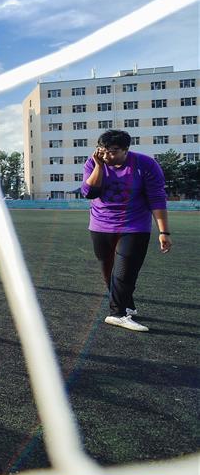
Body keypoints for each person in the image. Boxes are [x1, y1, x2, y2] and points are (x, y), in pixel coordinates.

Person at [81, 129, 171, 332]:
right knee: (109, 273)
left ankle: (117, 314)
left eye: (112, 151)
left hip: (134, 226)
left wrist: (164, 232)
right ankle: (126, 302)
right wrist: (99, 166)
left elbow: (157, 198)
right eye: (102, 150)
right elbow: (89, 192)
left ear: (125, 150)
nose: (106, 155)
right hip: (101, 225)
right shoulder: (94, 162)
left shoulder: (145, 164)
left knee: (125, 271)